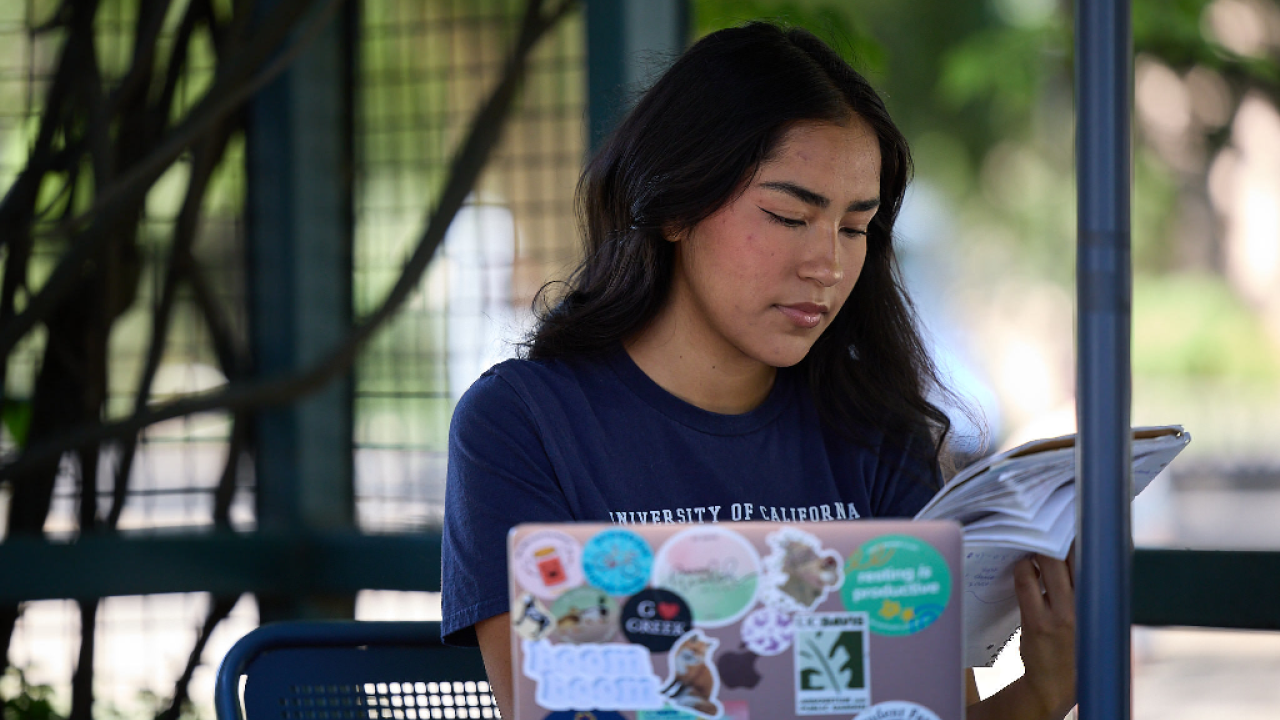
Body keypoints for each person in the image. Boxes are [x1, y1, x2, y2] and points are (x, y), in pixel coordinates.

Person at [441, 22, 1076, 720]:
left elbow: (925, 710)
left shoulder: (877, 433)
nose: (827, 265)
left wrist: (1044, 691)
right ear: (675, 206)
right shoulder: (523, 424)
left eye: (854, 228)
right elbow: (552, 705)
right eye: (787, 216)